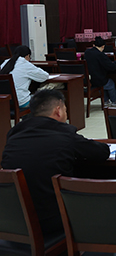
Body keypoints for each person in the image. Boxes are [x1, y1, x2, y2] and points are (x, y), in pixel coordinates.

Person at [1, 90, 109, 235]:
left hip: (14, 220)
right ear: (58, 111)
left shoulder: (14, 134)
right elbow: (101, 152)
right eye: (65, 110)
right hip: (51, 220)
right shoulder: (64, 134)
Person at [84, 36, 116, 106]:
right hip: (99, 80)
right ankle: (115, 101)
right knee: (110, 83)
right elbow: (111, 67)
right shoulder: (101, 55)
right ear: (103, 46)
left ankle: (106, 100)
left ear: (94, 45)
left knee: (104, 81)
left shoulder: (87, 52)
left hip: (90, 79)